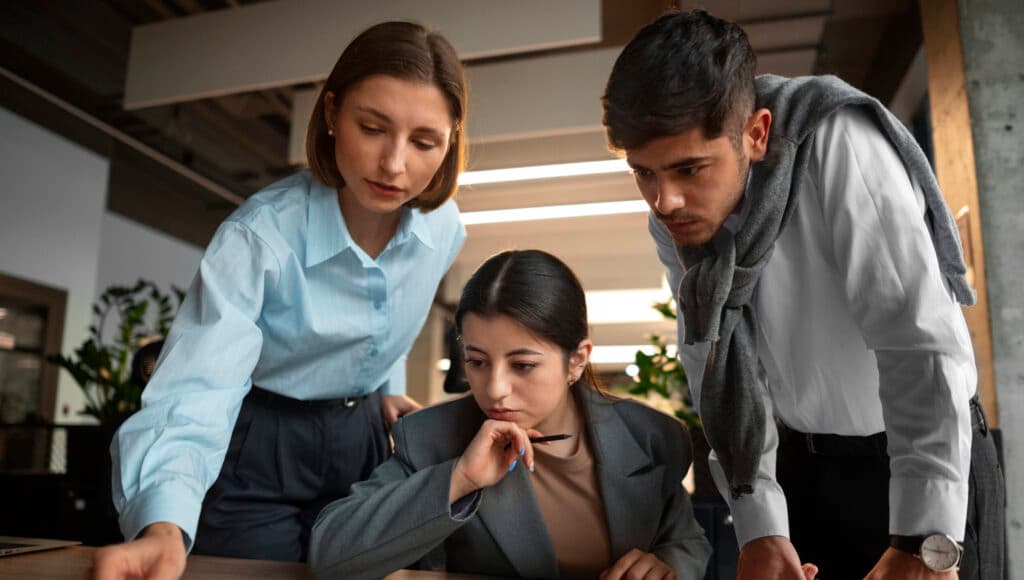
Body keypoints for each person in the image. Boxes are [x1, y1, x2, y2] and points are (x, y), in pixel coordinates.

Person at [601, 10, 1005, 580]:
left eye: (689, 168)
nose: (663, 200)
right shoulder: (677, 215)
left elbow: (917, 342)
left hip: (925, 458)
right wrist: (759, 523)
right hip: (803, 471)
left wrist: (923, 538)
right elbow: (709, 361)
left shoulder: (838, 141)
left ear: (757, 133)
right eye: (643, 173)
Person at [91, 21, 468, 579]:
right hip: (256, 442)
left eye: (423, 142)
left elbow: (389, 319)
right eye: (372, 127)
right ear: (333, 112)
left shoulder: (444, 230)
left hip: (360, 436)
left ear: (451, 139)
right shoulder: (259, 235)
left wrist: (382, 388)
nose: (394, 164)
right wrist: (163, 525)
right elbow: (199, 386)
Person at [307, 249, 713, 579]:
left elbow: (685, 541)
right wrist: (459, 480)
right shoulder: (430, 437)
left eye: (522, 365)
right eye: (477, 361)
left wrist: (669, 567)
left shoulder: (651, 437)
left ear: (576, 360)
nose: (495, 389)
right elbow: (330, 556)